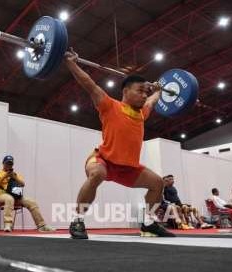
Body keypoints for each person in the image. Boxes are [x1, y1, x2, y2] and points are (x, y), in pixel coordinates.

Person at [64, 48, 175, 239]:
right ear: (125, 91)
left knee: (157, 183)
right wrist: (71, 63)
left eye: (144, 91)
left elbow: (152, 101)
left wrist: (156, 91)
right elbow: (89, 84)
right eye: (139, 91)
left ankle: (148, 223)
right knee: (97, 174)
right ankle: (77, 220)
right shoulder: (109, 105)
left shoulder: (142, 113)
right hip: (103, 159)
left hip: (128, 168)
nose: (143, 95)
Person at [0, 155, 55, 232]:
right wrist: (4, 176)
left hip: (16, 196)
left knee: (32, 202)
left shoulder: (16, 175)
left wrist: (15, 178)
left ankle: (42, 225)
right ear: (3, 163)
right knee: (9, 199)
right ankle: (8, 224)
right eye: (7, 163)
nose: (9, 165)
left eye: (10, 164)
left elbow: (22, 184)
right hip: (1, 196)